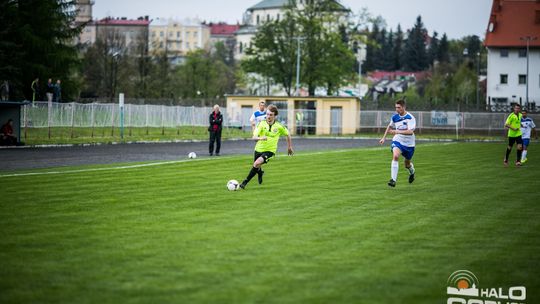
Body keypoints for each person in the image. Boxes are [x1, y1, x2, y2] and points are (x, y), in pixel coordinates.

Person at [239, 104, 293, 189]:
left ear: (275, 115)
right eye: (267, 114)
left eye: (271, 115)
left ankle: (244, 182)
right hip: (258, 149)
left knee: (256, 163)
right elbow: (254, 137)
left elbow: (288, 134)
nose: (268, 116)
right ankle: (260, 172)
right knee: (256, 166)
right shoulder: (261, 124)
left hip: (270, 151)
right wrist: (261, 138)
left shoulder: (279, 126)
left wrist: (289, 147)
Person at [379, 99, 416, 187]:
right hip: (398, 140)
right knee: (395, 156)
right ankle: (393, 180)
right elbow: (389, 126)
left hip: (409, 144)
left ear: (403, 107)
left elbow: (410, 132)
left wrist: (397, 131)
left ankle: (412, 172)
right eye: (396, 107)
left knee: (407, 164)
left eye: (399, 107)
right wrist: (384, 138)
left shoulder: (410, 118)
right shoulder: (394, 117)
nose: (397, 109)